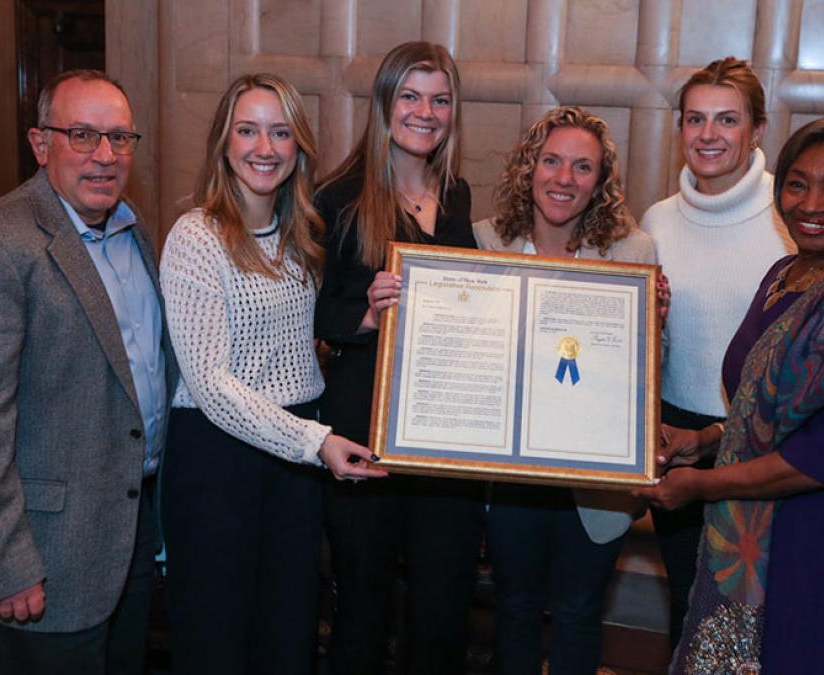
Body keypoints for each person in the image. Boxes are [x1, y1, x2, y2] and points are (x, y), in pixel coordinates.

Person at [637, 115, 824, 673]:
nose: (811, 203)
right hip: (764, 532)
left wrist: (702, 485)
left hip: (823, 541)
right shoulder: (788, 272)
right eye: (797, 183)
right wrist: (704, 439)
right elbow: (775, 413)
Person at [0, 69, 177, 673]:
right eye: (83, 135)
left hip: (127, 530)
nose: (105, 155)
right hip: (42, 554)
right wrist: (6, 563)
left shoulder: (133, 230)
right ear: (41, 145)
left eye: (120, 138)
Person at [158, 73, 386, 674]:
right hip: (219, 458)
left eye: (280, 132)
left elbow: (306, 340)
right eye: (248, 130)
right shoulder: (196, 237)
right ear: (224, 144)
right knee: (217, 635)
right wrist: (315, 442)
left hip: (294, 462)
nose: (265, 147)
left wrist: (372, 316)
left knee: (286, 631)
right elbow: (211, 385)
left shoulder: (302, 236)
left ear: (298, 147)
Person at [314, 41, 485, 675]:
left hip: (447, 435)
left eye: (440, 99)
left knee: (444, 607)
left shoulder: (458, 195)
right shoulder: (338, 198)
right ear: (385, 104)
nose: (425, 111)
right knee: (362, 607)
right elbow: (311, 308)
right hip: (365, 432)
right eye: (410, 96)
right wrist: (366, 311)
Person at [473, 106, 661, 675]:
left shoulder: (634, 254)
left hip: (595, 479)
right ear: (528, 168)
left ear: (600, 182)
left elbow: (647, 373)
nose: (563, 178)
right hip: (510, 471)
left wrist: (654, 325)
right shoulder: (482, 243)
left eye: (583, 167)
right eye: (551, 161)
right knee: (517, 607)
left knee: (581, 611)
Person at [637, 56, 794, 648]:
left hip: (764, 443)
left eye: (726, 120)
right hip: (677, 437)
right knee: (688, 604)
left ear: (757, 130)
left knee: (756, 618)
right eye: (695, 119)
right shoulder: (656, 221)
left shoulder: (793, 216)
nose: (708, 135)